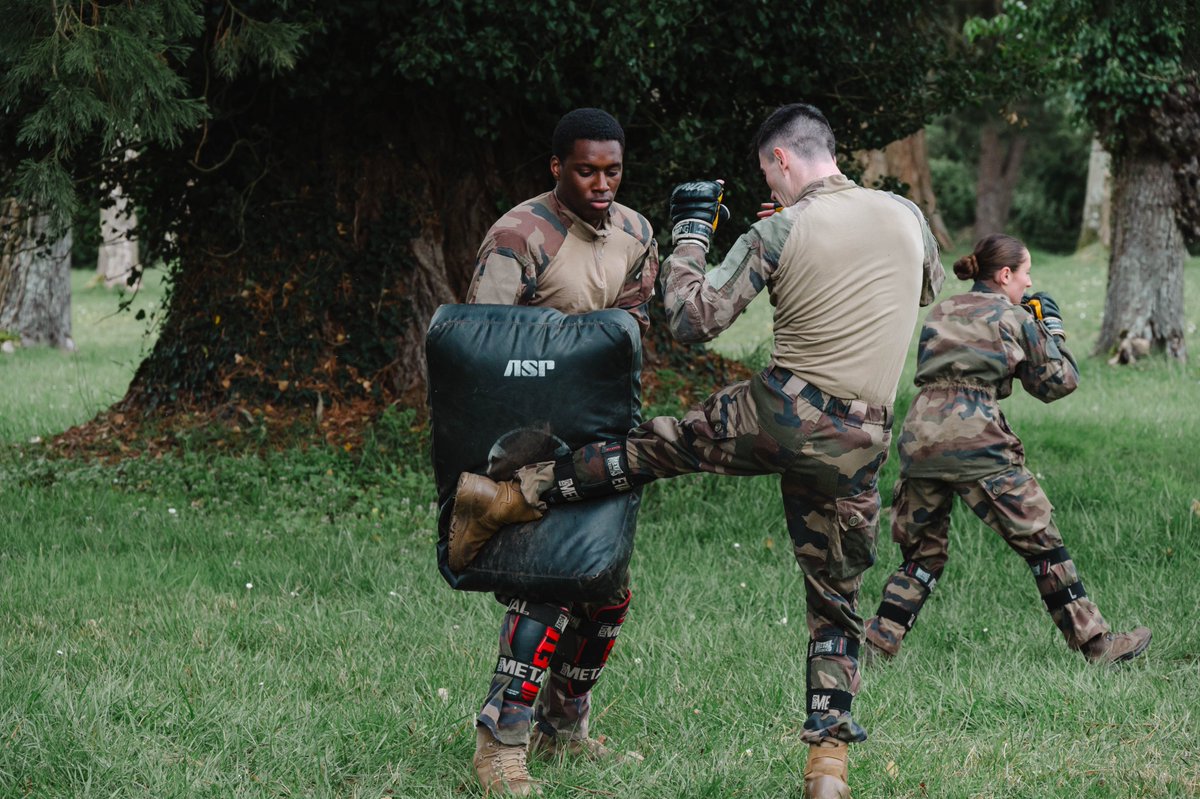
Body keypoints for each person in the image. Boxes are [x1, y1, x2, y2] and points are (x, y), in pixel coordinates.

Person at [450, 103, 945, 799]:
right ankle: (828, 767)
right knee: (836, 602)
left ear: (779, 162)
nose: (602, 181)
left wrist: (690, 238)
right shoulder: (909, 218)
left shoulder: (773, 227)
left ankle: (511, 500)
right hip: (862, 439)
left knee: (651, 449)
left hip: (780, 410)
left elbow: (687, 319)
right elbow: (926, 288)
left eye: (610, 170)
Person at [459, 107, 659, 797]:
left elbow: (631, 334)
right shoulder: (520, 235)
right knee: (548, 585)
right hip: (531, 444)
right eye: (585, 170)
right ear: (555, 166)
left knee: (605, 594)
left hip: (605, 442)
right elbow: (477, 351)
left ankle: (562, 726)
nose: (601, 183)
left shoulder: (637, 232)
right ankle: (500, 741)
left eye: (612, 170)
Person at [861, 233, 1151, 666]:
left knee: (921, 555)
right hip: (976, 437)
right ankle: (1098, 644)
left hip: (920, 435)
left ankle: (877, 644)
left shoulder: (941, 310)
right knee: (1042, 543)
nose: (1028, 283)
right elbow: (1057, 385)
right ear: (1005, 275)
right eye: (1026, 273)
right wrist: (1052, 330)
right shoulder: (1013, 317)